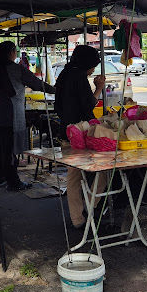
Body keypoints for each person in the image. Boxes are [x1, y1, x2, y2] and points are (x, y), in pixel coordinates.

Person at [0, 41, 55, 191]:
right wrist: (56, 90)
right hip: (8, 115)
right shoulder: (17, 69)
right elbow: (37, 84)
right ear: (12, 53)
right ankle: (13, 182)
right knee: (9, 151)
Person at [54, 45, 106, 227]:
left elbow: (58, 106)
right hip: (79, 135)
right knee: (102, 172)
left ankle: (78, 218)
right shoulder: (79, 77)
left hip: (65, 131)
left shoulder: (64, 74)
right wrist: (99, 88)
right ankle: (89, 208)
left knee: (74, 177)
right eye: (93, 65)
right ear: (87, 63)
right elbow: (88, 106)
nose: (94, 69)